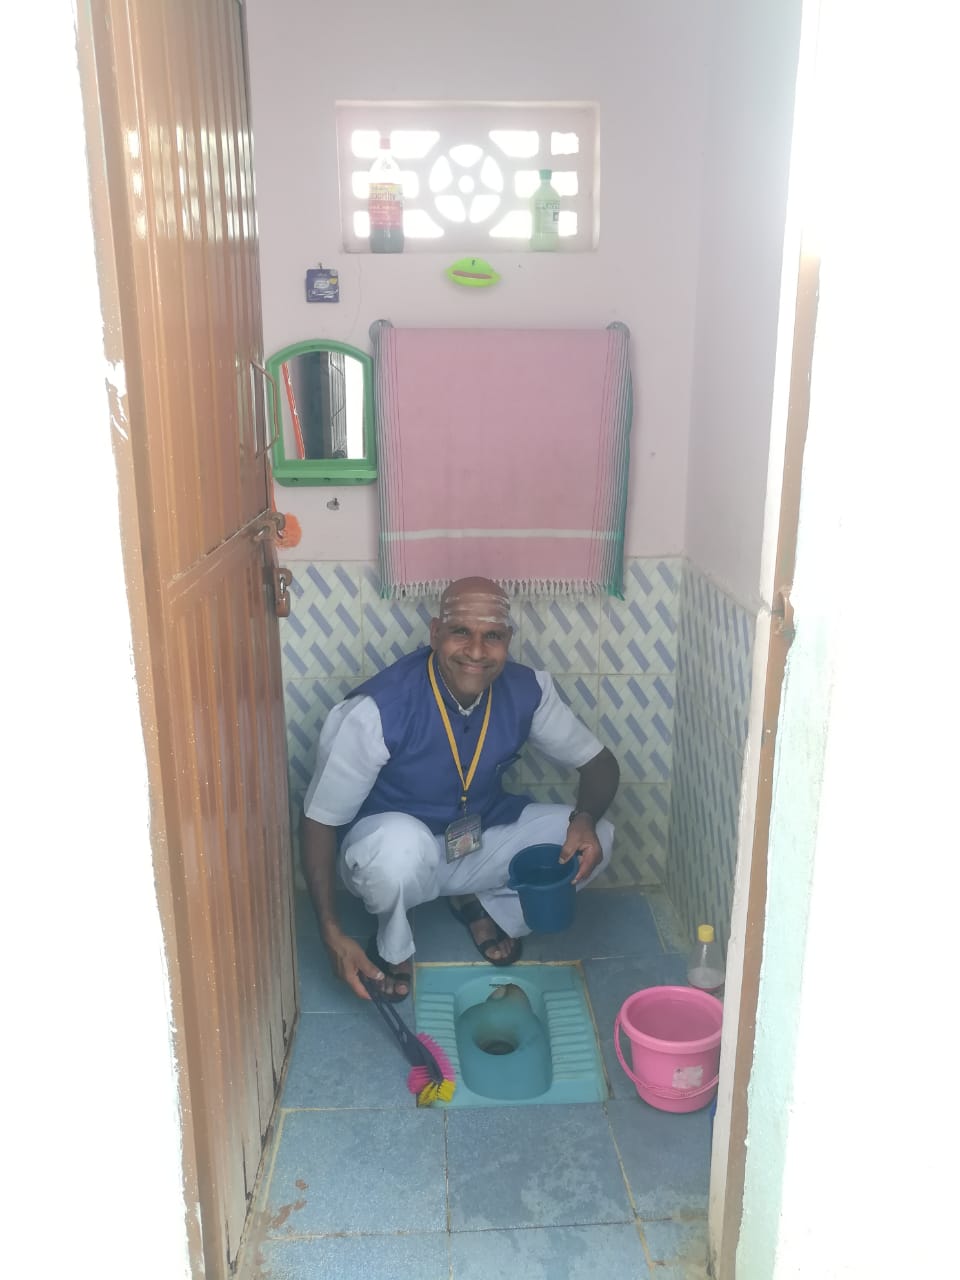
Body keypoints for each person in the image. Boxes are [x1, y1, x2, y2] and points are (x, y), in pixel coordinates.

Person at [301, 576, 620, 1001]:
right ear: (435, 634)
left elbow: (599, 765)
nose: (476, 651)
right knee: (399, 849)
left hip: (475, 841)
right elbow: (319, 820)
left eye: (492, 636)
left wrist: (583, 821)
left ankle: (485, 909)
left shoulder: (528, 690)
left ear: (508, 639)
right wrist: (330, 931)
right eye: (460, 633)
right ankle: (393, 944)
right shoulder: (377, 710)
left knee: (599, 838)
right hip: (392, 854)